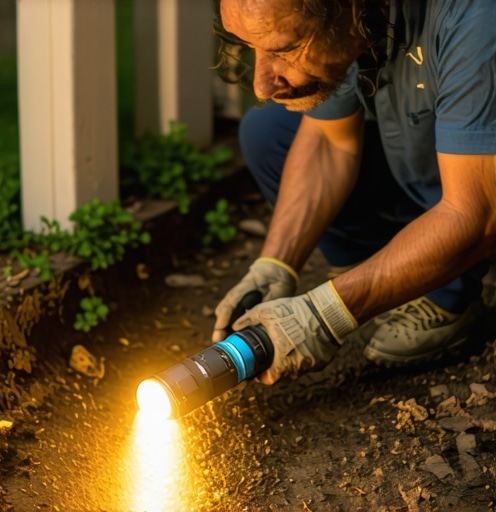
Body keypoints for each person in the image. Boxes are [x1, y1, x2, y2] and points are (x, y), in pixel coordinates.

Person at [211, 0, 496, 385]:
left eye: (283, 49)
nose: (261, 84)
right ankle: (391, 275)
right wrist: (274, 264)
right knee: (269, 131)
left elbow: (477, 214)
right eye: (253, 48)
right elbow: (330, 144)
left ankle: (448, 292)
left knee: (471, 221)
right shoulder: (355, 20)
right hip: (428, 172)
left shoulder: (476, 18)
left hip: (477, 193)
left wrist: (324, 315)